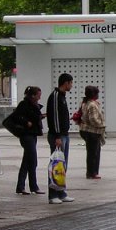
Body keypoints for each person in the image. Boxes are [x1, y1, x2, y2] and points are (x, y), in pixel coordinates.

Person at [46, 73, 74, 203]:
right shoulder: (56, 96)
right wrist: (57, 135)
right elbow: (55, 117)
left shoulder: (62, 97)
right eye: (71, 83)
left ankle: (61, 191)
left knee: (62, 165)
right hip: (58, 135)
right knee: (56, 164)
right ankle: (53, 195)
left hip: (64, 134)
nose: (71, 86)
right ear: (65, 83)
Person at [13, 86, 46, 196]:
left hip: (32, 134)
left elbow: (34, 117)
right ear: (33, 95)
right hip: (26, 135)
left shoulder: (34, 105)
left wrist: (42, 116)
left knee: (27, 161)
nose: (40, 97)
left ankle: (21, 186)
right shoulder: (24, 104)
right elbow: (17, 116)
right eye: (38, 95)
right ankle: (33, 186)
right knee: (32, 160)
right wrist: (26, 122)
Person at [78, 85, 106, 179]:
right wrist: (101, 125)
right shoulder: (92, 105)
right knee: (94, 153)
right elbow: (93, 118)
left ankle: (91, 172)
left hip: (85, 130)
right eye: (97, 93)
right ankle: (92, 173)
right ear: (94, 94)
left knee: (91, 152)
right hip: (92, 131)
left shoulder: (84, 103)